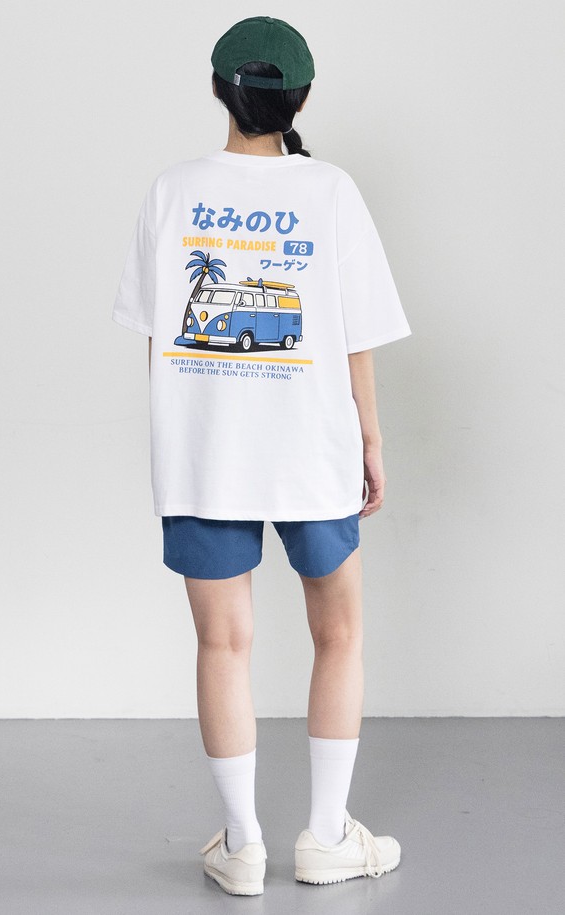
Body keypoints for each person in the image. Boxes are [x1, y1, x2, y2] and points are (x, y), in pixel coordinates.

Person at [112, 15, 412, 896]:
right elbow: (356, 337)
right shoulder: (331, 191)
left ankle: (242, 846)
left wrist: (192, 420)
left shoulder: (172, 191)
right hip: (312, 449)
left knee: (221, 641)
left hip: (204, 455)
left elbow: (159, 334)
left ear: (218, 91)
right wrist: (370, 438)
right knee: (340, 632)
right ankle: (327, 836)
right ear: (302, 100)